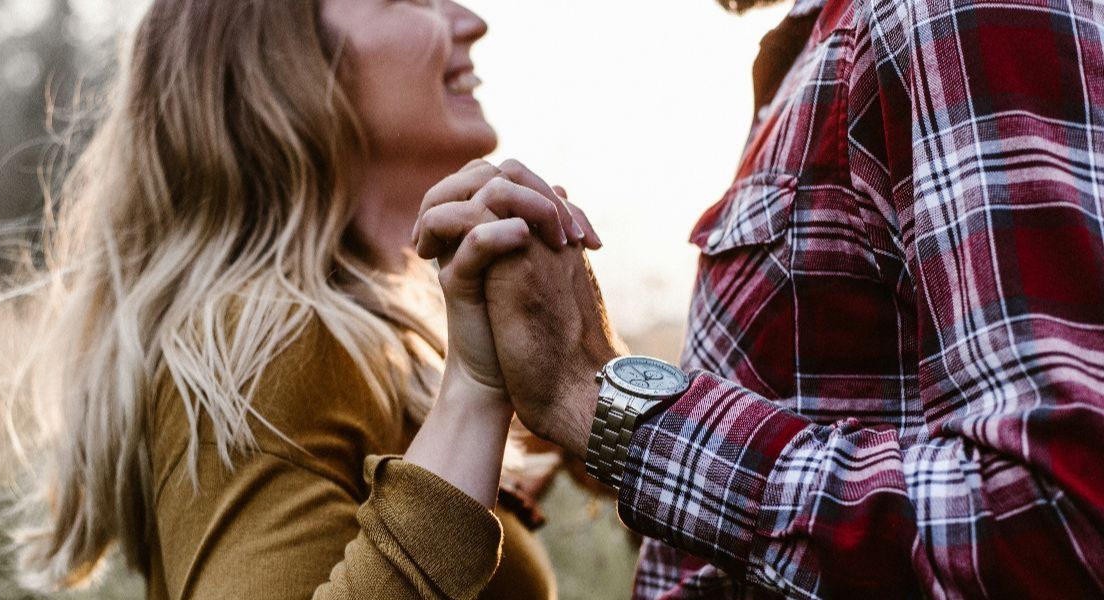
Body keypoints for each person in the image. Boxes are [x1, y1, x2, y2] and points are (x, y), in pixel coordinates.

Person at [414, 0, 1104, 595]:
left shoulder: (945, 13)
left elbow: (1056, 524)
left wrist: (600, 402)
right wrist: (605, 419)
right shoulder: (826, 41)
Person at [0, 0, 595, 598]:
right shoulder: (260, 346)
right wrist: (474, 400)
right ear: (283, 63)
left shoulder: (388, 331)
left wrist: (578, 375)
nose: (469, 19)